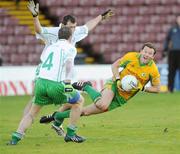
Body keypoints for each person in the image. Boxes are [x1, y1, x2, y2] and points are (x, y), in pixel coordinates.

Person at [24, 0, 114, 135]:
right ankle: (25, 125)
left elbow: (87, 26)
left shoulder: (75, 32)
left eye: (74, 27)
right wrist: (35, 17)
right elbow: (39, 30)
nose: (72, 30)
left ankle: (56, 122)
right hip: (48, 71)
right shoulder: (54, 32)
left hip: (64, 73)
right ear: (62, 26)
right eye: (70, 27)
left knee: (73, 98)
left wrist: (100, 17)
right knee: (35, 100)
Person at [40, 42, 161, 133]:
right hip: (113, 85)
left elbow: (157, 89)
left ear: (153, 57)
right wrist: (118, 79)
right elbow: (114, 65)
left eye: (150, 53)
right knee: (102, 104)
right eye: (145, 51)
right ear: (141, 51)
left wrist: (142, 88)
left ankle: (55, 116)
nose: (147, 54)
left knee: (84, 112)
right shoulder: (131, 57)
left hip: (122, 98)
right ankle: (87, 87)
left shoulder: (153, 70)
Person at [8, 27, 86, 145]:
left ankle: (16, 137)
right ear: (70, 37)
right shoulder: (70, 48)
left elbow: (43, 64)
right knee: (79, 101)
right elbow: (69, 64)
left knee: (32, 113)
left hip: (41, 82)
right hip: (55, 84)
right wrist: (68, 82)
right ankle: (70, 134)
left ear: (58, 36)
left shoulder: (50, 47)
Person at [163, 14, 180, 92]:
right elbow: (167, 39)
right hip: (173, 53)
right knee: (171, 71)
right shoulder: (172, 29)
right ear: (177, 20)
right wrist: (165, 49)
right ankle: (170, 89)